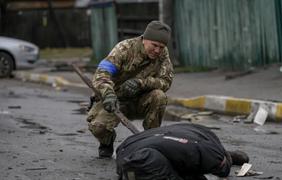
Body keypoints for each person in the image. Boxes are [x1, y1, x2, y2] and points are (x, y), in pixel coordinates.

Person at [87, 21, 174, 158]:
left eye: (161, 47)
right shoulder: (124, 48)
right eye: (154, 45)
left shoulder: (163, 55)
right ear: (145, 39)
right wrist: (108, 93)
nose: (157, 50)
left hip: (141, 100)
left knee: (159, 96)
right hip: (116, 101)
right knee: (99, 128)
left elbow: (166, 81)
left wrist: (141, 83)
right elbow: (102, 73)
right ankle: (106, 141)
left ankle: (151, 141)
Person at [116, 123, 249, 180]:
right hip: (138, 142)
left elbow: (222, 168)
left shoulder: (201, 152)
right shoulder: (126, 158)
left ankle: (227, 154)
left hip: (196, 135)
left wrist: (225, 157)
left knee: (220, 163)